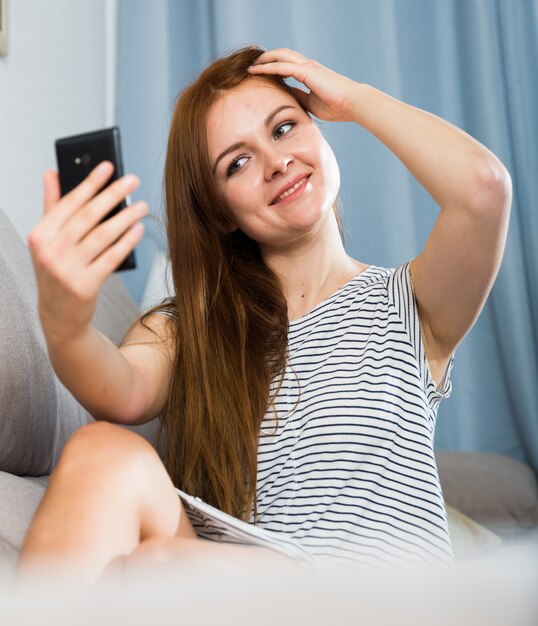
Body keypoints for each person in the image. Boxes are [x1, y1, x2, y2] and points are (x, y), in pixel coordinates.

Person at [18, 46, 511, 584]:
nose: (277, 163)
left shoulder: (410, 303)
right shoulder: (192, 328)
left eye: (284, 129)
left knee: (163, 566)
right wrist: (65, 323)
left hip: (386, 599)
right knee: (101, 452)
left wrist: (355, 99)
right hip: (258, 588)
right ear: (221, 213)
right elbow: (121, 392)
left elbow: (482, 191)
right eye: (238, 162)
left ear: (321, 129)